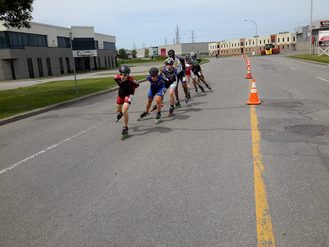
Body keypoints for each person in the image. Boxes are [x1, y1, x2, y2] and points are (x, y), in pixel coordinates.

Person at [114, 65, 139, 138]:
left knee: (124, 110)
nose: (122, 76)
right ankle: (121, 112)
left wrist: (132, 90)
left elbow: (137, 85)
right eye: (121, 74)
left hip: (129, 94)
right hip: (121, 93)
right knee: (118, 110)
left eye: (125, 75)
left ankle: (125, 127)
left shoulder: (132, 80)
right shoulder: (116, 78)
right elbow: (118, 80)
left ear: (128, 75)